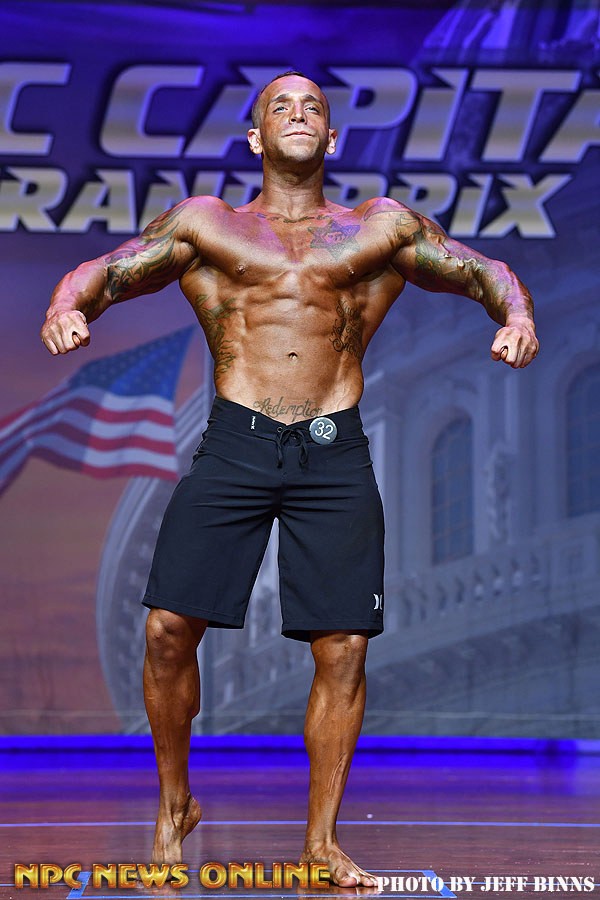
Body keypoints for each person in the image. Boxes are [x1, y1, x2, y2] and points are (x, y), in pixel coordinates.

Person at [41, 71, 539, 887]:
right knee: (167, 629)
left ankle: (321, 842)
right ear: (255, 137)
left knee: (343, 647)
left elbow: (483, 269)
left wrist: (515, 316)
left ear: (333, 137)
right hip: (236, 443)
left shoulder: (379, 229)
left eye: (314, 107)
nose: (299, 115)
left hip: (332, 450)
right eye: (282, 106)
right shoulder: (207, 225)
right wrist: (69, 309)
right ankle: (174, 803)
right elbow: (104, 270)